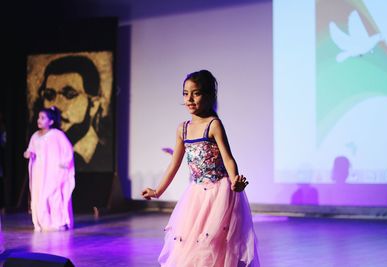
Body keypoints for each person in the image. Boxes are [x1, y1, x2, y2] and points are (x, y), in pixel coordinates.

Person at [142, 70, 260, 266]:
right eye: (185, 93)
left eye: (196, 93)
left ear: (208, 95)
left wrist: (234, 180)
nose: (189, 98)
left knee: (214, 244)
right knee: (191, 245)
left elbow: (228, 158)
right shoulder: (183, 128)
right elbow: (175, 163)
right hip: (196, 195)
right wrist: (157, 191)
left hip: (219, 193)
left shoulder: (213, 125)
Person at [30, 55, 113, 172]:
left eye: (69, 94)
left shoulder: (106, 155)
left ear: (93, 105)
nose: (56, 105)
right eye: (49, 95)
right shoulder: (40, 155)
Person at [24, 106, 75, 231]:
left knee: (53, 196)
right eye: (38, 117)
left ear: (51, 121)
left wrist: (64, 164)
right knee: (39, 198)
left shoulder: (57, 135)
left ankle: (60, 222)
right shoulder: (35, 136)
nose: (39, 120)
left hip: (53, 172)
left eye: (42, 118)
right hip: (39, 173)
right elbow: (31, 150)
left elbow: (68, 150)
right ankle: (44, 224)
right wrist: (28, 154)